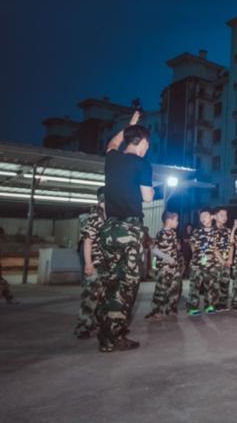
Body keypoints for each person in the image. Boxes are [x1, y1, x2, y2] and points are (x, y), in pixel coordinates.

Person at [97, 110, 153, 353]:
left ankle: (106, 329)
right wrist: (151, 191)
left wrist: (129, 125)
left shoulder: (112, 158)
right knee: (126, 286)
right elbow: (147, 197)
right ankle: (113, 338)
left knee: (111, 282)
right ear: (141, 143)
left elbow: (112, 143)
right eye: (147, 145)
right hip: (129, 229)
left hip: (108, 229)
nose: (147, 150)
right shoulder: (142, 164)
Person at [74, 187, 107, 339]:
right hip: (94, 262)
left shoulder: (107, 218)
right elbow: (87, 241)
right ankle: (82, 327)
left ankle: (97, 323)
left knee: (102, 296)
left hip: (104, 264)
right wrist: (88, 264)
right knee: (90, 296)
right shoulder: (96, 217)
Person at [145, 211, 182, 320]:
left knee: (175, 288)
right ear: (169, 220)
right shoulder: (161, 233)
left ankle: (170, 309)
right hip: (165, 268)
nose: (178, 222)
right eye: (176, 220)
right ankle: (156, 311)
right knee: (161, 290)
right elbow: (155, 250)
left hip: (174, 268)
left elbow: (172, 248)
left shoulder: (173, 233)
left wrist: (177, 247)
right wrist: (168, 258)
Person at [187, 209, 219, 316]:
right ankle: (193, 307)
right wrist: (197, 256)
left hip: (211, 264)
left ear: (211, 217)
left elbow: (216, 248)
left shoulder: (216, 232)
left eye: (205, 215)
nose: (203, 218)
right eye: (201, 217)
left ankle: (209, 305)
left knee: (210, 286)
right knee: (194, 286)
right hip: (197, 264)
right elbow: (192, 245)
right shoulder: (197, 231)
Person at [213, 208, 237, 311]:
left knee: (225, 282)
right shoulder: (211, 230)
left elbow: (231, 244)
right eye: (221, 215)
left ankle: (223, 303)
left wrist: (230, 259)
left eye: (226, 215)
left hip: (226, 262)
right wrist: (222, 261)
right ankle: (213, 304)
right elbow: (213, 247)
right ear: (215, 216)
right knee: (215, 284)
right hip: (215, 262)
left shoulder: (228, 230)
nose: (224, 217)